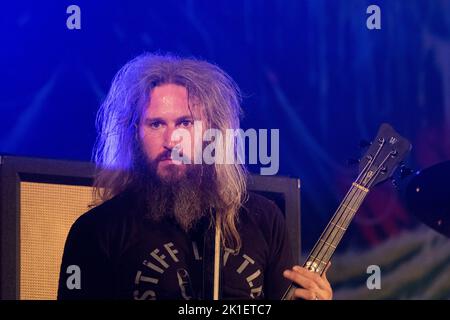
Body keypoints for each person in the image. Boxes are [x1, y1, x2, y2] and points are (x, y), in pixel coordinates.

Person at [57, 53, 333, 300]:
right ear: (134, 133)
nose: (171, 139)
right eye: (155, 124)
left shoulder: (264, 219)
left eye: (185, 123)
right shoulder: (97, 230)